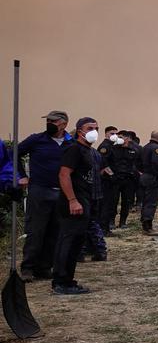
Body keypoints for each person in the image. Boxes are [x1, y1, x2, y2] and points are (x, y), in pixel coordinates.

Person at [16, 110, 73, 282]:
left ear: (64, 124)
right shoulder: (37, 139)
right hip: (40, 191)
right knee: (35, 231)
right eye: (48, 121)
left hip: (62, 193)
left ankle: (45, 267)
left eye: (53, 121)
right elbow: (14, 153)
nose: (49, 124)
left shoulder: (71, 143)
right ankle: (28, 268)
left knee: (55, 231)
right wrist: (21, 175)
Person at [51, 118, 100, 294]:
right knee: (68, 241)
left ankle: (68, 280)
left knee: (76, 242)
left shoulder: (88, 151)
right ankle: (61, 282)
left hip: (84, 200)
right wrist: (72, 200)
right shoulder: (74, 149)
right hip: (73, 202)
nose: (94, 131)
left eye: (96, 128)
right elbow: (64, 175)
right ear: (80, 131)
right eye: (90, 128)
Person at [105, 130, 139, 228]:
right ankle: (111, 221)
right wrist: (111, 175)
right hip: (116, 179)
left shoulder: (133, 150)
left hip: (128, 179)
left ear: (127, 138)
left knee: (126, 201)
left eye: (121, 137)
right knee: (113, 201)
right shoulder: (113, 149)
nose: (118, 139)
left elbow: (136, 164)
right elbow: (106, 162)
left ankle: (123, 222)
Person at [138, 131, 158, 236]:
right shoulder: (156, 148)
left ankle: (144, 224)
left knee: (145, 201)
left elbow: (138, 163)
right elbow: (156, 164)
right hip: (153, 178)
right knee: (151, 202)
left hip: (144, 176)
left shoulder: (145, 147)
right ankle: (148, 227)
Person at [96, 125, 118, 235]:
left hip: (110, 180)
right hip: (106, 180)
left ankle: (105, 227)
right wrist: (112, 175)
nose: (114, 136)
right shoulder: (105, 146)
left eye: (116, 134)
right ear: (106, 134)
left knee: (110, 204)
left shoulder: (111, 146)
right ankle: (103, 228)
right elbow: (103, 164)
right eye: (112, 133)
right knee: (105, 204)